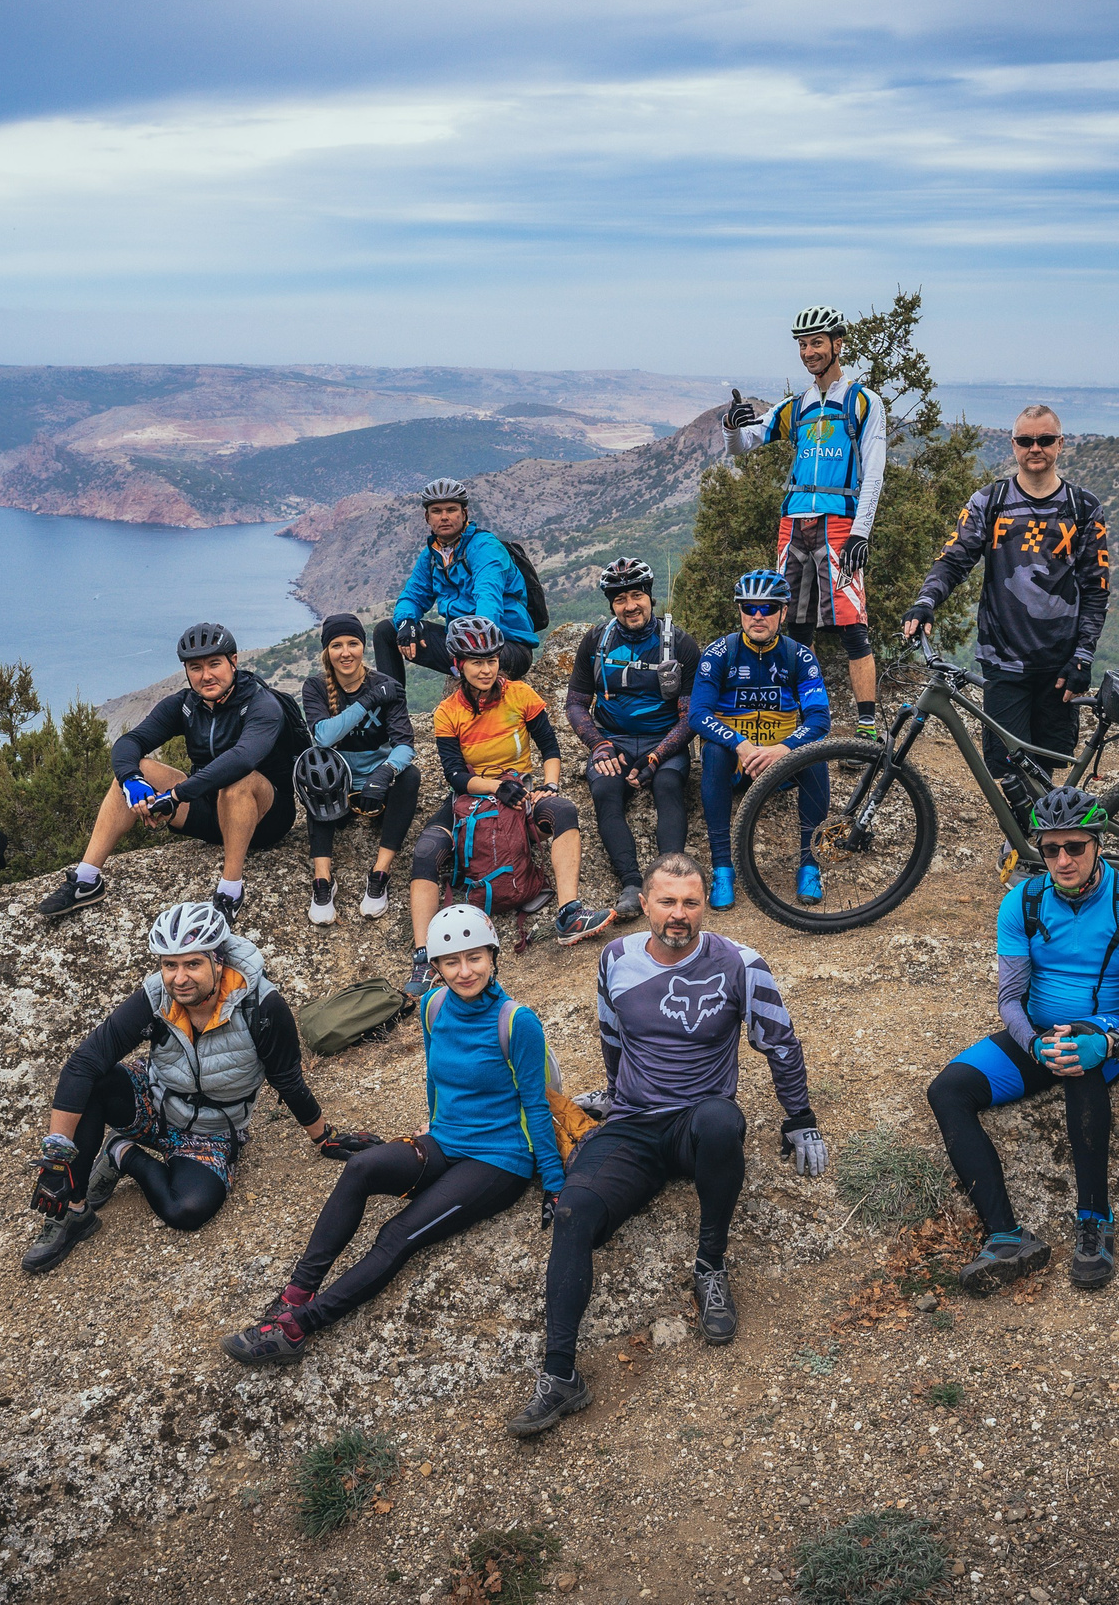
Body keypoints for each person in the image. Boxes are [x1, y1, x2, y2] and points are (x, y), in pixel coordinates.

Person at [506, 854, 827, 1438]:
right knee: (573, 1211)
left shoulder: (742, 963)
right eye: (667, 902)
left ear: (703, 904)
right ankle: (560, 1377)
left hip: (699, 1124)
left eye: (690, 902)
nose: (679, 915)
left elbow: (780, 1042)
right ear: (645, 905)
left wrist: (799, 1116)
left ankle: (710, 1266)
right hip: (633, 1125)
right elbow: (612, 1036)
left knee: (723, 1121)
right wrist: (613, 1092)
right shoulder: (615, 958)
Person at [220, 902, 568, 1364]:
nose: (465, 971)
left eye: (475, 957)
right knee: (362, 1166)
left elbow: (535, 1104)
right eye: (451, 961)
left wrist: (555, 1184)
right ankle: (295, 1294)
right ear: (437, 967)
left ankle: (297, 1328)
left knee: (398, 1232)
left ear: (493, 956)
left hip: (500, 1160)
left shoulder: (516, 1021)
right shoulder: (432, 1006)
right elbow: (434, 1078)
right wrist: (432, 1124)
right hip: (447, 1140)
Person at [22, 902, 376, 1274]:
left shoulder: (262, 1004)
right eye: (169, 964)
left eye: (192, 964)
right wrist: (55, 1161)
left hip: (212, 1129)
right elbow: (84, 1062)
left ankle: (120, 1152)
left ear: (217, 961)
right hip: (154, 1100)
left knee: (186, 1210)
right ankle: (75, 1213)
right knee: (93, 1081)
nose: (178, 978)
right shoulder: (155, 996)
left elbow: (286, 1078)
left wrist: (325, 1139)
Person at [925, 786, 1119, 1297]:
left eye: (1074, 847)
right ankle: (1007, 1238)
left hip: (1107, 1036)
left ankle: (1095, 1222)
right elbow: (1009, 999)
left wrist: (1111, 1042)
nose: (1062, 859)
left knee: (1079, 1062)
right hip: (1037, 1035)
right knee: (948, 1090)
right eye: (1050, 848)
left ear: (1098, 844)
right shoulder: (1022, 901)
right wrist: (1033, 1044)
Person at [35, 622, 310, 925]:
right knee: (137, 768)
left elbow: (242, 758)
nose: (206, 675)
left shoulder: (262, 704)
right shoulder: (185, 705)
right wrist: (131, 781)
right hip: (209, 813)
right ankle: (87, 880)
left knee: (237, 780)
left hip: (264, 818)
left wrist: (176, 796)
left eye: (214, 664)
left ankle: (230, 891)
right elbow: (130, 742)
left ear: (234, 661)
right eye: (195, 667)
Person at [902, 405, 1113, 798]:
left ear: (1060, 445)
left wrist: (1083, 656)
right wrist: (926, 602)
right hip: (1002, 660)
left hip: (1060, 662)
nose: (1036, 448)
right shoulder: (990, 501)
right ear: (1013, 444)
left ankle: (1046, 848)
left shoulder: (1083, 508)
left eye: (1045, 440)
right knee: (1008, 766)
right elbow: (953, 559)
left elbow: (1096, 588)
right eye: (1026, 440)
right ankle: (1024, 845)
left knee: (1049, 764)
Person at [401, 614, 606, 994]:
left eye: (492, 660)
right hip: (472, 795)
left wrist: (550, 784)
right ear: (459, 665)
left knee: (563, 811)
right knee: (427, 850)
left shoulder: (520, 695)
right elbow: (455, 774)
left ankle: (569, 913)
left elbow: (550, 746)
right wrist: (495, 788)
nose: (486, 669)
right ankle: (423, 958)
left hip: (520, 789)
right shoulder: (448, 711)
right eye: (476, 662)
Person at [725, 305, 888, 738]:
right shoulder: (795, 407)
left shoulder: (861, 402)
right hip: (793, 523)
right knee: (793, 624)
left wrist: (861, 532)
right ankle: (795, 719)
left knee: (852, 625)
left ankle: (867, 725)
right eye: (802, 344)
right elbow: (743, 445)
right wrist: (731, 425)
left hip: (838, 521)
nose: (809, 351)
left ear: (838, 345)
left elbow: (874, 472)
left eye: (817, 342)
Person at [566, 556, 701, 920]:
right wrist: (600, 744)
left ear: (650, 597)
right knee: (605, 792)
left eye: (636, 596)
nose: (630, 606)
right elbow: (576, 703)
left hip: (665, 740)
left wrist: (657, 758)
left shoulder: (680, 644)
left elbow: (691, 717)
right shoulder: (596, 642)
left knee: (669, 787)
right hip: (614, 739)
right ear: (611, 604)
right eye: (620, 599)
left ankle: (669, 881)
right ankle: (630, 883)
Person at [689, 570, 833, 910]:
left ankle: (809, 864)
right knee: (714, 755)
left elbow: (819, 719)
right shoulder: (719, 653)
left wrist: (783, 749)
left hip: (781, 761)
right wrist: (740, 744)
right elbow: (698, 714)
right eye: (749, 607)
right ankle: (723, 868)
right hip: (736, 762)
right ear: (739, 610)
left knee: (817, 759)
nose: (757, 615)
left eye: (767, 607)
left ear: (782, 612)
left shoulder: (799, 656)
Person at [298, 613, 421, 924]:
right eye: (336, 646)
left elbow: (405, 744)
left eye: (353, 643)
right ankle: (323, 880)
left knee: (410, 776)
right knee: (315, 769)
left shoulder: (386, 686)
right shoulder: (316, 687)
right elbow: (323, 736)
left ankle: (380, 873)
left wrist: (385, 772)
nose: (346, 652)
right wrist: (367, 702)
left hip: (377, 789)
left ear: (363, 647)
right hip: (337, 787)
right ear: (327, 652)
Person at [376, 477, 537, 688]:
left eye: (451, 510)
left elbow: (488, 598)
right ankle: (393, 714)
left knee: (474, 660)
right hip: (460, 641)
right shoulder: (432, 555)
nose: (444, 517)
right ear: (427, 517)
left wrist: (474, 643)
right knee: (387, 631)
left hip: (506, 646)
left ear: (464, 514)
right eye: (436, 511)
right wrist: (406, 623)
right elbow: (413, 595)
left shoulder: (485, 548)